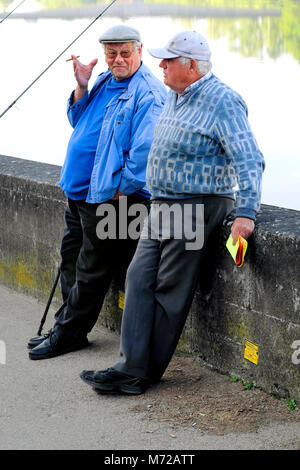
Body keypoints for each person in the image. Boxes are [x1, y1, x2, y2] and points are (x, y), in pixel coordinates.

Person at [79, 30, 265, 395]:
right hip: (163, 204)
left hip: (196, 205)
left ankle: (140, 374)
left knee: (169, 290)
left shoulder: (223, 100)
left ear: (191, 66)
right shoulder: (174, 95)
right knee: (138, 277)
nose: (160, 65)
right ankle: (128, 365)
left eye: (168, 60)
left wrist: (246, 212)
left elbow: (249, 159)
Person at [27, 24, 167, 360]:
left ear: (140, 51)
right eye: (111, 53)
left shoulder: (148, 93)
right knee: (70, 258)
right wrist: (82, 85)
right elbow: (78, 119)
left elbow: (146, 153)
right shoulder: (105, 80)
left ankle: (70, 333)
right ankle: (66, 324)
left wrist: (122, 190)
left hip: (109, 197)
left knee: (93, 267)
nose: (117, 60)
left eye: (124, 53)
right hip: (78, 191)